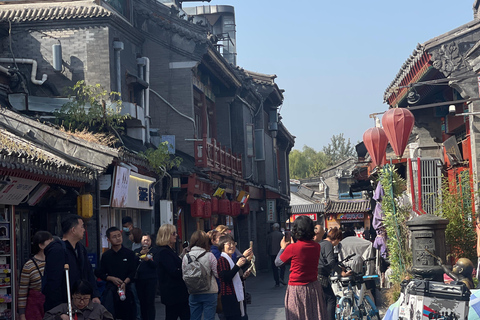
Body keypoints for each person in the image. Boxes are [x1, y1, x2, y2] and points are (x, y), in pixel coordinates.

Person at [43, 214, 101, 312]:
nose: (84, 230)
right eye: (82, 227)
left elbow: (89, 272)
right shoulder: (57, 250)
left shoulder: (81, 249)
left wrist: (94, 294)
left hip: (81, 303)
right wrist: (58, 310)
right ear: (73, 230)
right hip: (64, 304)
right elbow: (53, 283)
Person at [275, 215, 326, 320]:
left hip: (296, 288)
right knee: (314, 315)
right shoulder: (317, 246)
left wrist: (283, 248)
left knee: (298, 316)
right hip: (313, 287)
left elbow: (278, 262)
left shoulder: (292, 248)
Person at [96, 227, 137, 320]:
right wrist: (110, 278)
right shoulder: (106, 255)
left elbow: (133, 271)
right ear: (108, 239)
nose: (118, 238)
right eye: (114, 237)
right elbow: (99, 272)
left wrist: (125, 283)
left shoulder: (129, 253)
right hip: (111, 290)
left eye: (119, 235)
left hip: (127, 289)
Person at [154, 224, 190, 320]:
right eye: (173, 233)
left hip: (175, 293)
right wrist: (186, 269)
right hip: (174, 293)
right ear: (166, 235)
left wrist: (182, 256)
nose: (176, 235)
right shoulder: (164, 252)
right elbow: (173, 271)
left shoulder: (168, 251)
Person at [182, 230, 218, 320]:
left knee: (194, 317)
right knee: (209, 318)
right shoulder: (210, 255)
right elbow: (218, 274)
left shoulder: (186, 257)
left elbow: (184, 275)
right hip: (209, 291)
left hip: (193, 291)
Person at [18, 231, 53, 320]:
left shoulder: (54, 262)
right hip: (34, 309)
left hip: (51, 307)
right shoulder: (29, 265)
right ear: (41, 245)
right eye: (50, 243)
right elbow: (22, 292)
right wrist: (22, 315)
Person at [318, 227, 351, 320]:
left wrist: (340, 268)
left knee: (323, 301)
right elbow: (331, 261)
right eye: (338, 241)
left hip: (316, 275)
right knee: (331, 299)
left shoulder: (320, 243)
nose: (337, 244)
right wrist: (342, 272)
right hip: (322, 276)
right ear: (336, 239)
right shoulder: (328, 244)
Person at [217, 235, 251, 320]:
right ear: (222, 245)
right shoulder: (222, 260)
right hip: (229, 296)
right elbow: (226, 277)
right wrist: (238, 265)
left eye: (233, 244)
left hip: (234, 295)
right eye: (229, 244)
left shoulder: (230, 259)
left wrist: (243, 277)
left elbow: (233, 276)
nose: (232, 246)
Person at [43, 280, 113, 320]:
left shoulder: (98, 309)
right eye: (78, 298)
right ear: (72, 295)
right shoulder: (64, 307)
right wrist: (59, 317)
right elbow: (46, 318)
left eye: (85, 298)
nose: (81, 302)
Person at [134, 233, 158, 320]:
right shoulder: (137, 251)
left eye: (148, 240)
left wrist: (148, 260)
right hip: (139, 279)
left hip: (151, 279)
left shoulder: (154, 251)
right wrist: (140, 254)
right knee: (142, 301)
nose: (146, 242)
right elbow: (133, 263)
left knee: (150, 302)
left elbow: (155, 265)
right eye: (144, 240)